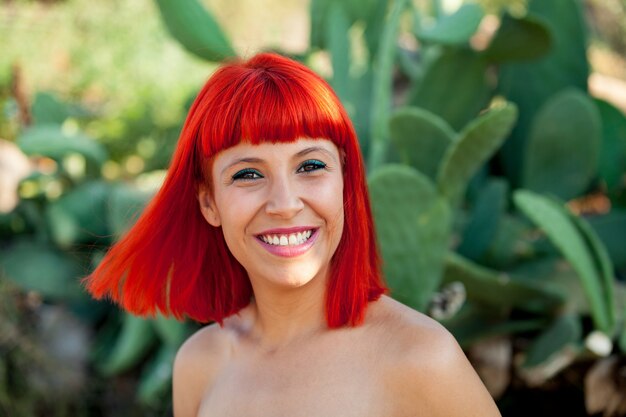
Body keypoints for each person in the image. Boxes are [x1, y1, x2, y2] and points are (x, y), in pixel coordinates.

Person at [85, 53, 501, 416]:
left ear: (345, 181)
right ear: (209, 203)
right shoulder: (200, 364)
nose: (284, 203)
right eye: (248, 174)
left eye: (310, 166)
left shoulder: (422, 359)